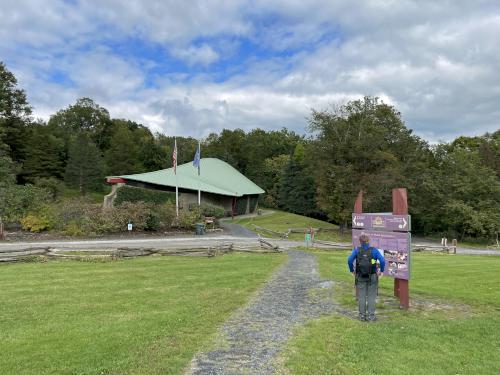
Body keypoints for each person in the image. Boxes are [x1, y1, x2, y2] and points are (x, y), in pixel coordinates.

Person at [347, 234, 385, 321]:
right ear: (368, 241)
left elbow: (349, 260)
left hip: (360, 276)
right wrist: (381, 271)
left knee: (361, 296)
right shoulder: (374, 250)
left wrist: (352, 270)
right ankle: (371, 316)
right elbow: (382, 260)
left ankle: (362, 316)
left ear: (360, 242)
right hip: (372, 276)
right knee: (371, 296)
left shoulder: (357, 250)